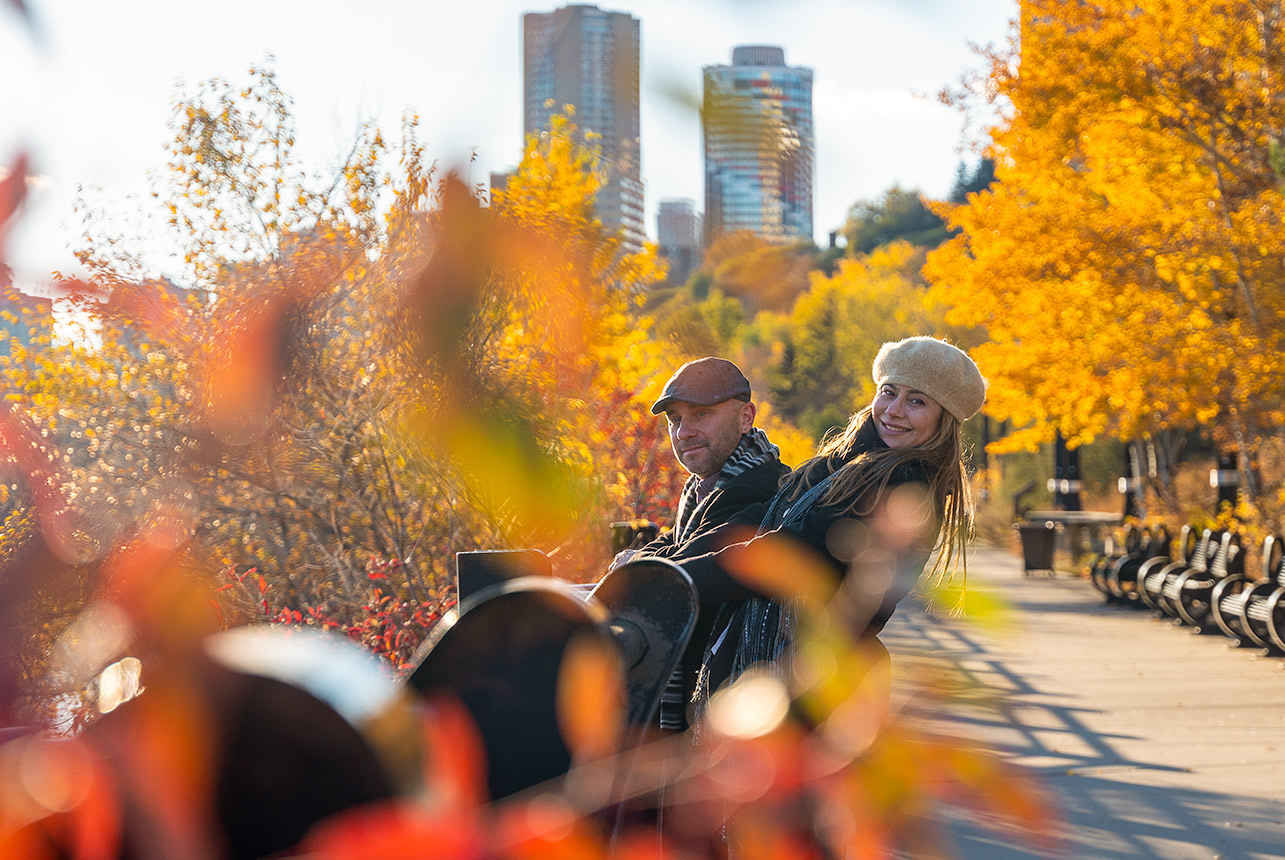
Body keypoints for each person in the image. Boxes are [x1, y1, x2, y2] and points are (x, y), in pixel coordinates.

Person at [672, 336, 986, 712]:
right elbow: (759, 517)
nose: (894, 410)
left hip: (816, 685)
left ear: (943, 418)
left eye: (917, 401)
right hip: (788, 667)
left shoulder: (905, 486)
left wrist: (675, 582)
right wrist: (670, 564)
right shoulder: (843, 465)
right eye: (889, 392)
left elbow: (786, 555)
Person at [615, 356, 789, 731]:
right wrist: (645, 555)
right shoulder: (705, 488)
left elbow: (684, 560)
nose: (682, 432)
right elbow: (674, 543)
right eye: (675, 420)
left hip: (732, 708)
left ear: (746, 417)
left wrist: (637, 564)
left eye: (701, 414)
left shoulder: (752, 488)